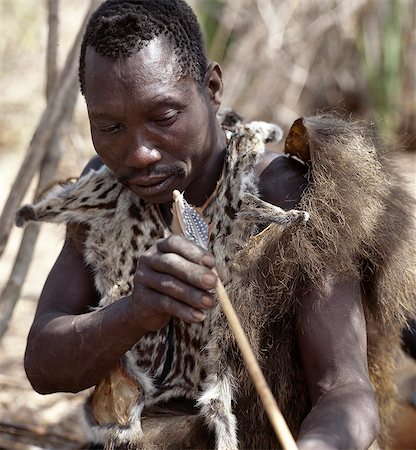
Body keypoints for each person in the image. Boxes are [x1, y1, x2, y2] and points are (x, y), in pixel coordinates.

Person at [16, 1, 415, 449]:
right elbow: (44, 366)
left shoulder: (286, 199)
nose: (139, 153)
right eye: (109, 127)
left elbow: (343, 389)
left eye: (163, 118)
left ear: (211, 86)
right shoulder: (106, 194)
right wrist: (131, 314)